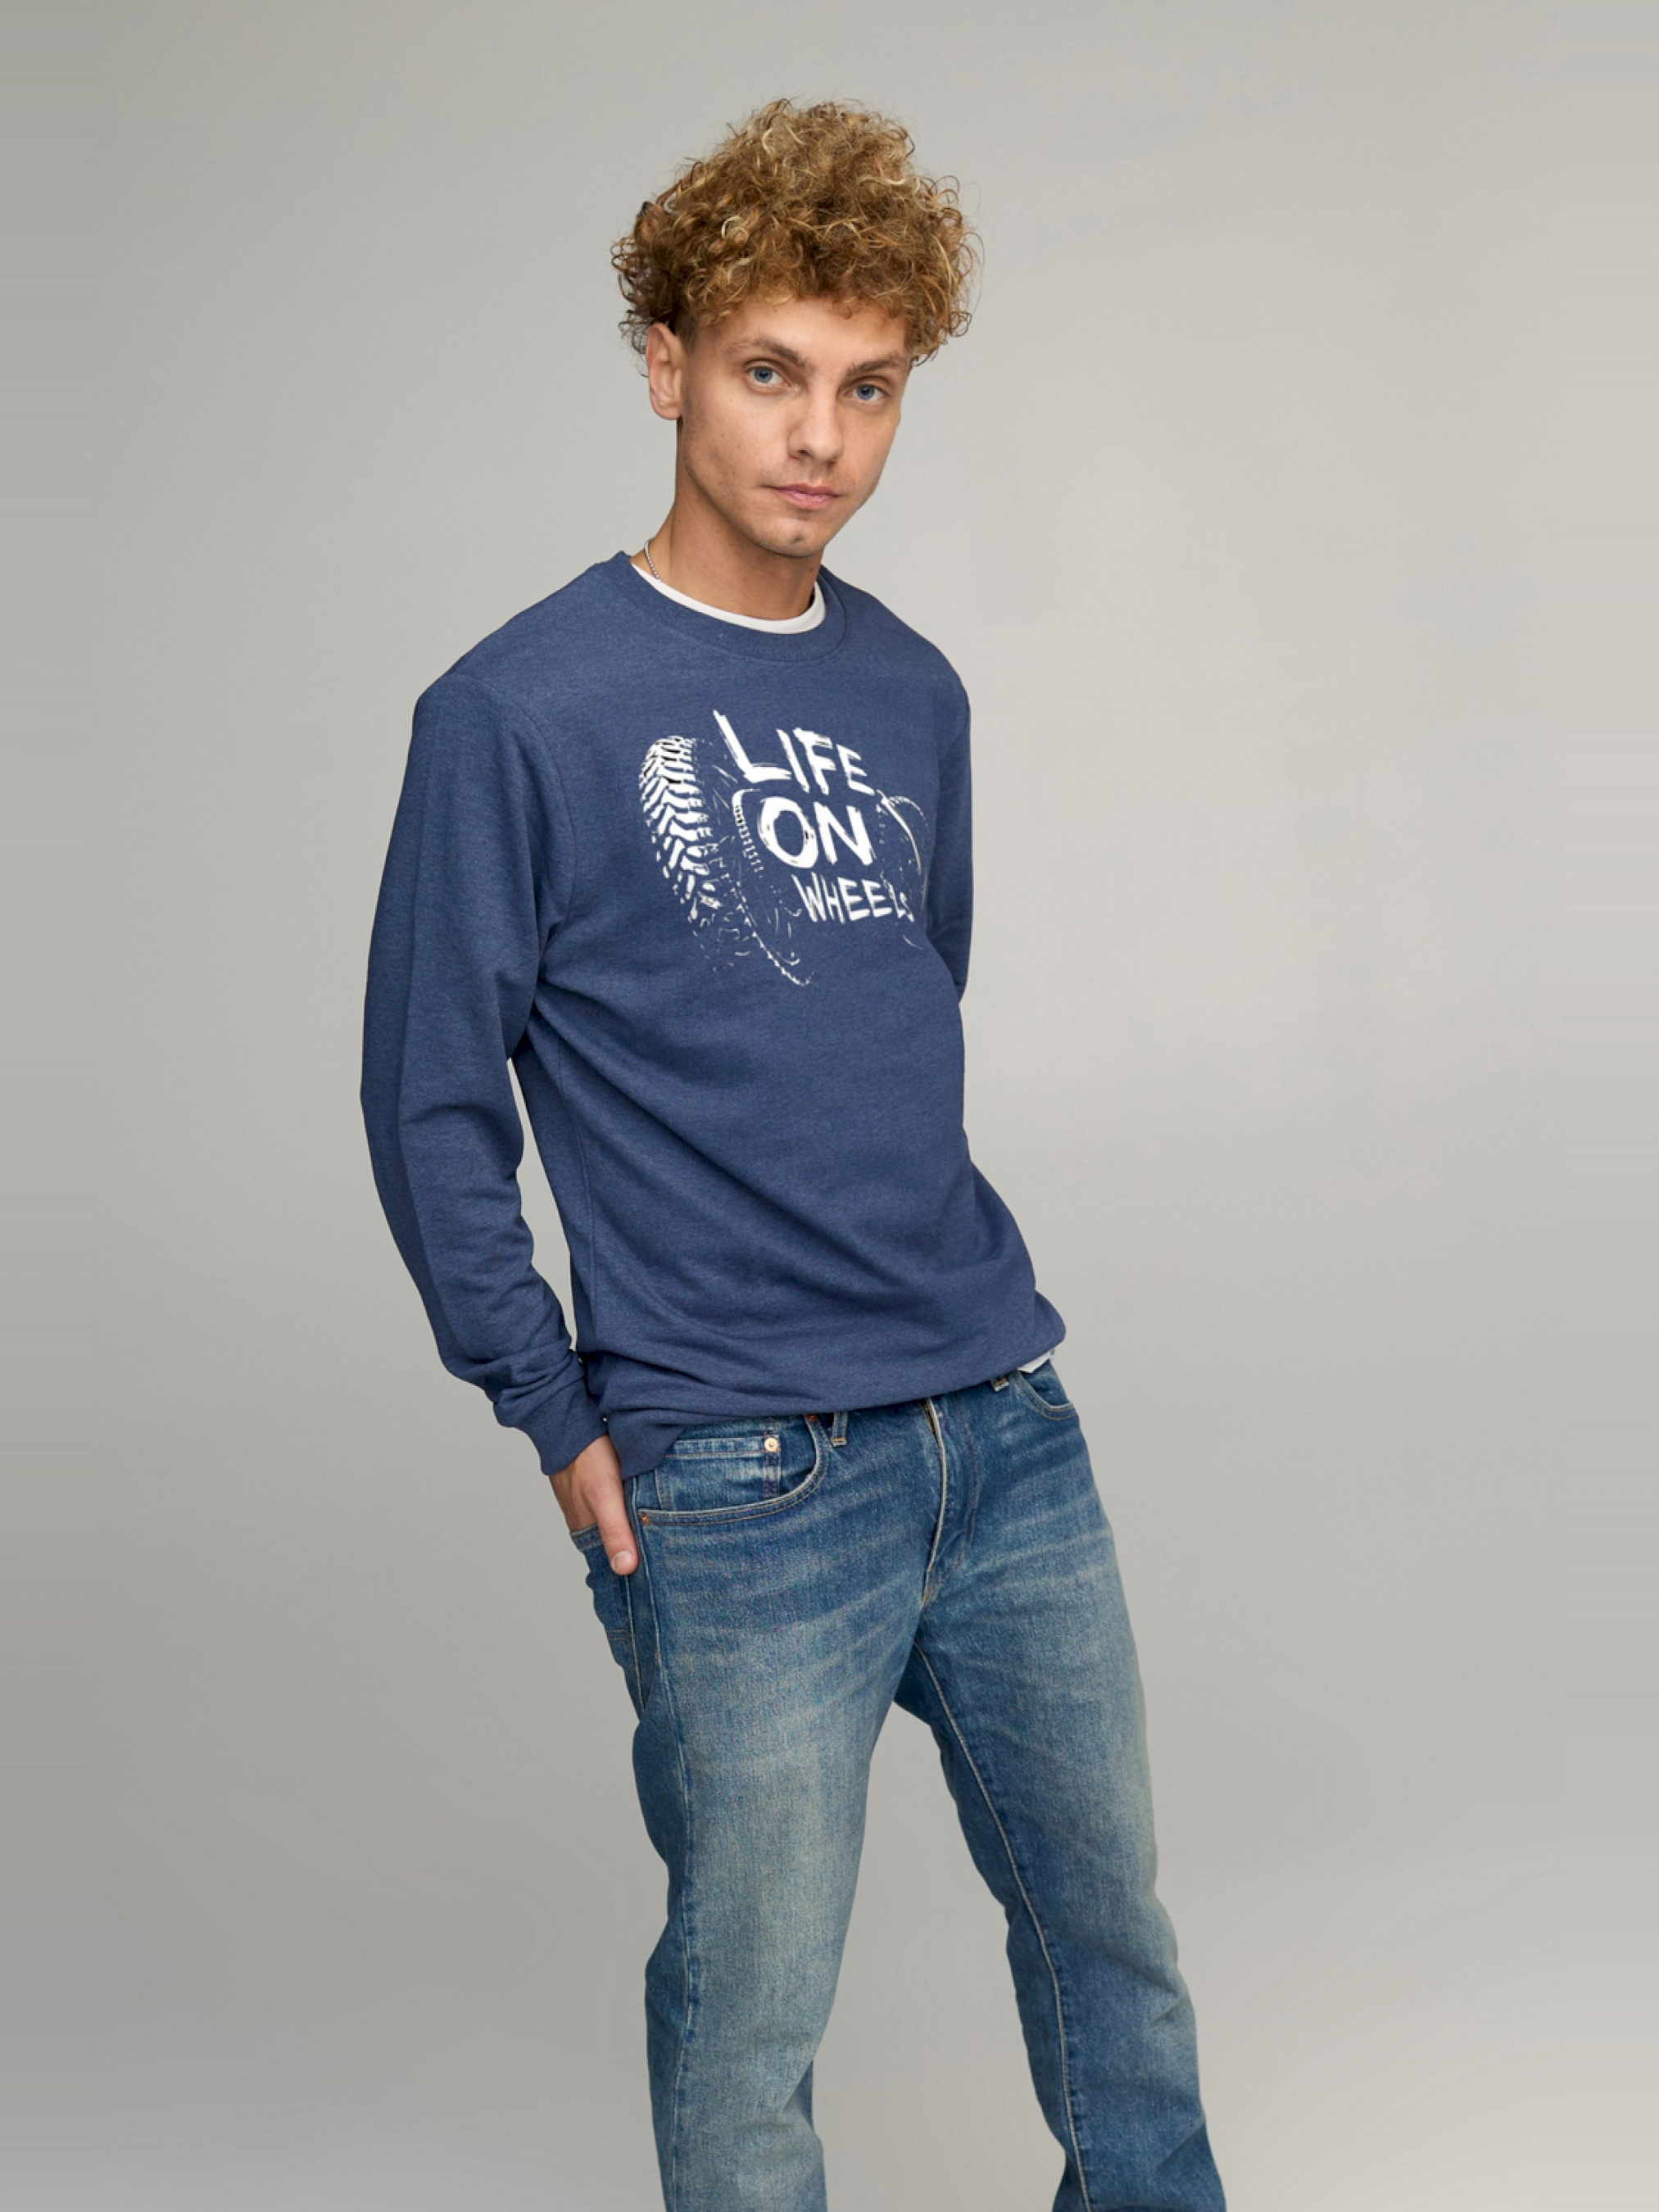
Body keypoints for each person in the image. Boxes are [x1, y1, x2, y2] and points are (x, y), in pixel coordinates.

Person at [362, 96, 1225, 2212]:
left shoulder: (914, 690)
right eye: (771, 371)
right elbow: (428, 1095)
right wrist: (548, 1400)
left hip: (1002, 1423)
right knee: (749, 2016)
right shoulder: (517, 711)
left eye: (869, 386)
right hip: (738, 1471)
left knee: (1114, 1953)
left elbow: (905, 1001)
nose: (819, 437)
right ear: (666, 365)